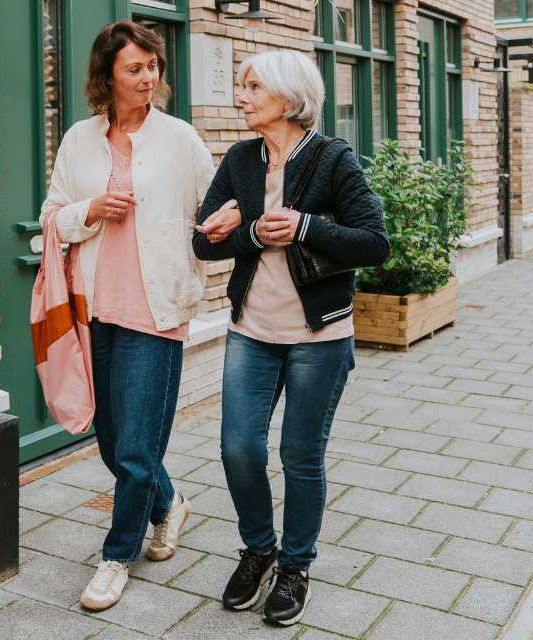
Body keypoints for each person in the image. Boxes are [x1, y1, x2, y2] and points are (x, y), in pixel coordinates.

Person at [193, 50, 389, 627]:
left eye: (254, 87)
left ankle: (296, 566)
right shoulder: (240, 160)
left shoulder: (333, 159)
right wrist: (252, 231)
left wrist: (305, 226)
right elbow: (204, 242)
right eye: (243, 86)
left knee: (301, 456)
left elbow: (374, 242)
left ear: (289, 96)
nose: (242, 97)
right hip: (251, 331)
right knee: (238, 449)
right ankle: (259, 550)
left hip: (318, 336)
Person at [39, 21, 214, 611]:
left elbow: (215, 206)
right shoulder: (79, 140)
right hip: (95, 310)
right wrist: (88, 210)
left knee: (137, 447)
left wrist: (230, 223)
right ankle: (169, 504)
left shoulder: (180, 139)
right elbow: (52, 217)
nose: (147, 77)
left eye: (152, 66)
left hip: (156, 311)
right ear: (107, 77)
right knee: (113, 443)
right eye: (134, 68)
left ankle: (116, 557)